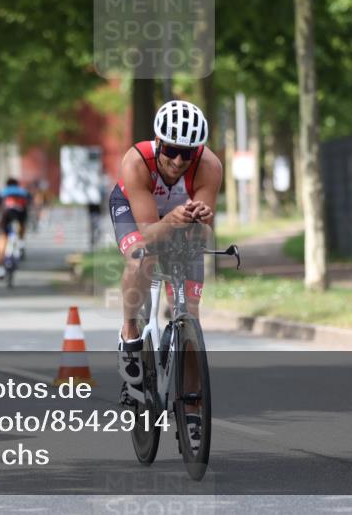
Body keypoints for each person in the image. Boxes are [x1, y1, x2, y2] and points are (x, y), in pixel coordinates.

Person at [109, 100, 222, 450]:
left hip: (178, 219)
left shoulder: (210, 167)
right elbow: (147, 236)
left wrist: (200, 221)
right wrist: (170, 220)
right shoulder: (136, 161)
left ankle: (190, 406)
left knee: (191, 314)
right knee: (141, 258)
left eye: (186, 153)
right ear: (159, 144)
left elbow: (203, 236)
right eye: (171, 150)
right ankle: (131, 331)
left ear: (198, 152)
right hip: (136, 212)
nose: (177, 161)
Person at [0, 177, 30, 280]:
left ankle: (0, 269)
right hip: (20, 215)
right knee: (22, 225)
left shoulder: (3, 191)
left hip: (6, 215)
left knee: (3, 239)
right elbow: (29, 202)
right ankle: (21, 244)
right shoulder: (22, 191)